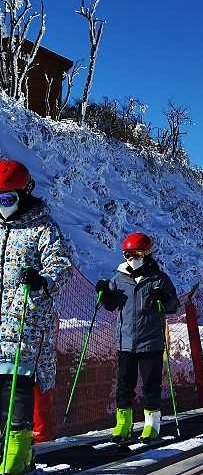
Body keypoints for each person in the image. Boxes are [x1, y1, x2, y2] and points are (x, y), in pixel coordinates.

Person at [0, 160, 72, 473]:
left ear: (25, 193)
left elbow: (61, 266)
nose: (2, 206)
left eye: (7, 199)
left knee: (15, 388)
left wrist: (43, 280)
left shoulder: (42, 227)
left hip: (26, 324)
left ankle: (18, 449)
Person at [96, 232, 179, 442]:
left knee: (150, 385)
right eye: (128, 253)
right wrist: (105, 293)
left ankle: (152, 425)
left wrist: (164, 298)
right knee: (124, 385)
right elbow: (110, 305)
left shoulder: (158, 279)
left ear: (147, 253)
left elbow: (172, 306)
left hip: (151, 341)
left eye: (137, 253)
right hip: (126, 342)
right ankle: (123, 424)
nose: (133, 257)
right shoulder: (119, 278)